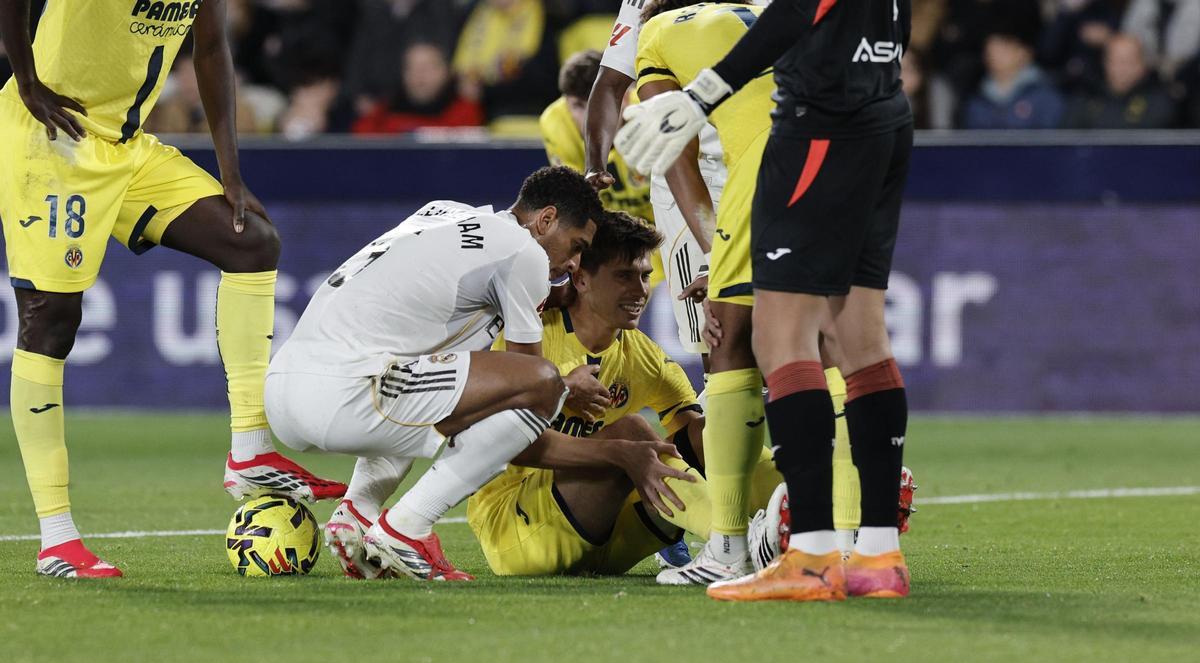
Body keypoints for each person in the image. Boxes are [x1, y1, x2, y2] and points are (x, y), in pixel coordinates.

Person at [0, 0, 343, 580]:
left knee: (251, 242)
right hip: (53, 135)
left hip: (127, 146)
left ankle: (250, 446)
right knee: (50, 320)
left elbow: (211, 49)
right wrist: (25, 76)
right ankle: (57, 537)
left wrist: (232, 175)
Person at [616, 0, 916, 601]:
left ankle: (811, 555)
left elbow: (799, 10)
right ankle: (878, 555)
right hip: (883, 116)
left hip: (815, 127)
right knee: (858, 336)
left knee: (780, 337)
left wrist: (700, 95)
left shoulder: (666, 33)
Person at [264, 167, 605, 581]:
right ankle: (407, 528)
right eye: (575, 246)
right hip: (344, 395)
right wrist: (568, 389)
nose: (571, 264)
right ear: (545, 220)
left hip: (283, 391)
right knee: (543, 385)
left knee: (428, 373)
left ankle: (357, 513)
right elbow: (529, 379)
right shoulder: (525, 253)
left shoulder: (443, 212)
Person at [466, 211, 789, 578]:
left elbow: (704, 444)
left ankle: (817, 526)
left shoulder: (644, 357)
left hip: (611, 544)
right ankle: (733, 542)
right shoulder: (527, 340)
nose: (639, 291)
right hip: (520, 534)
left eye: (645, 276)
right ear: (582, 278)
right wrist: (614, 447)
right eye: (624, 276)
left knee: (707, 433)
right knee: (632, 433)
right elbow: (494, 443)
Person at [1064, 33, 1177, 129]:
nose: (1122, 69)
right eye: (1116, 61)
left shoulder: (1159, 100)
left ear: (1143, 66)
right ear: (1105, 64)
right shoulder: (1087, 97)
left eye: (1129, 62)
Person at [961, 30, 1065, 129]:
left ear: (1023, 52)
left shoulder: (1044, 95)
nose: (994, 56)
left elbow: (1051, 142)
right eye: (990, 51)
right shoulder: (977, 99)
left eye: (1003, 50)